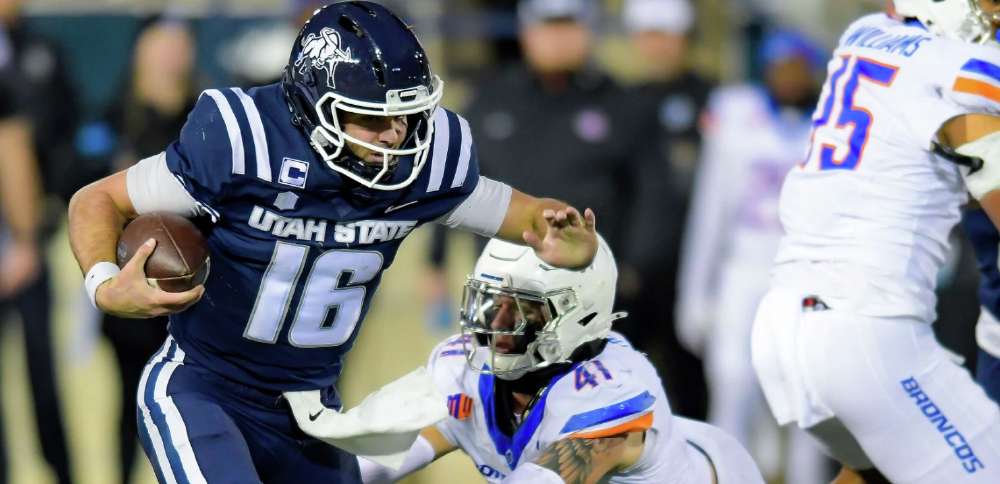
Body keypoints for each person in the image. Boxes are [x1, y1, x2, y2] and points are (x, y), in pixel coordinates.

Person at [66, 2, 598, 483]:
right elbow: (95, 201)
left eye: (406, 114)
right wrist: (104, 287)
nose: (394, 134)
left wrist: (566, 242)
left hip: (312, 415)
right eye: (372, 117)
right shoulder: (243, 142)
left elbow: (524, 214)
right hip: (206, 393)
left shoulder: (424, 162)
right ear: (311, 105)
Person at [752, 1, 1000, 482]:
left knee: (876, 474)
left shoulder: (864, 34)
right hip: (869, 334)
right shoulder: (963, 69)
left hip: (782, 327)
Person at [346, 236, 765, 483]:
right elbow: (368, 462)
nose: (496, 323)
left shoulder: (607, 388)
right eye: (490, 302)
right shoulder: (464, 371)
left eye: (523, 310)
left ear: (579, 313)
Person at [676, 29, 830, 483]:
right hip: (743, 268)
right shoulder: (738, 120)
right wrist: (695, 291)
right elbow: (710, 213)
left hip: (804, 272)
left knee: (808, 397)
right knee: (732, 383)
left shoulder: (828, 124)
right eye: (780, 67)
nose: (788, 77)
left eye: (797, 67)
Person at [97, 20, 198, 484]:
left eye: (180, 47)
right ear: (141, 52)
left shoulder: (205, 122)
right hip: (132, 286)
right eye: (162, 47)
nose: (171, 57)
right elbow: (78, 186)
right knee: (130, 398)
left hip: (194, 291)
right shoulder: (115, 116)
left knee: (192, 406)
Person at [0, 1, 77, 482]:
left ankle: (61, 472)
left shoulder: (38, 51)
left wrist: (25, 240)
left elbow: (11, 145)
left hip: (13, 244)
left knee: (40, 374)